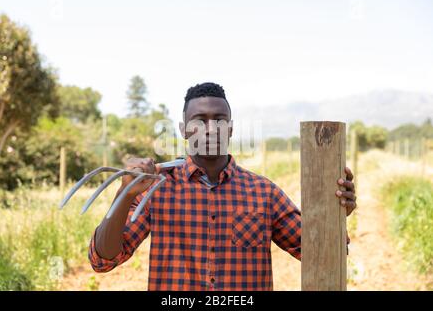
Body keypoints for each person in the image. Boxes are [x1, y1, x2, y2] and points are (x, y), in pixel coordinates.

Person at [88, 82, 357, 290]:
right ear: (183, 129)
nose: (210, 128)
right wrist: (125, 194)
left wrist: (335, 214)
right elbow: (103, 259)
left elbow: (318, 251)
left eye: (219, 120)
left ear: (230, 128)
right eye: (199, 120)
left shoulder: (264, 193)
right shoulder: (156, 191)